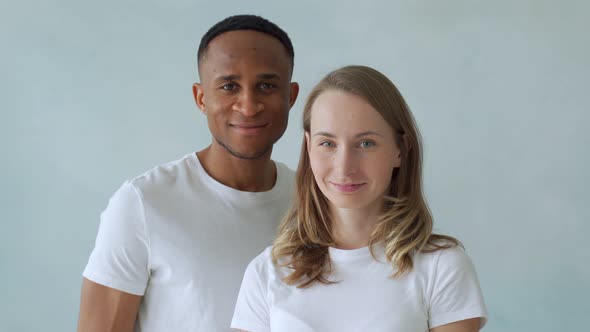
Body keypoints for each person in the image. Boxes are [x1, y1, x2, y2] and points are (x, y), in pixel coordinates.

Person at [77, 15, 299, 331]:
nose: (248, 106)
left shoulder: (312, 201)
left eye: (266, 85)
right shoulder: (143, 203)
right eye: (229, 86)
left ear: (290, 97)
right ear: (201, 98)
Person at [231, 65, 487, 332]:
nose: (344, 167)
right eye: (327, 143)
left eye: (365, 143)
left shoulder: (441, 267)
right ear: (309, 147)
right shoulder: (267, 272)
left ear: (400, 149)